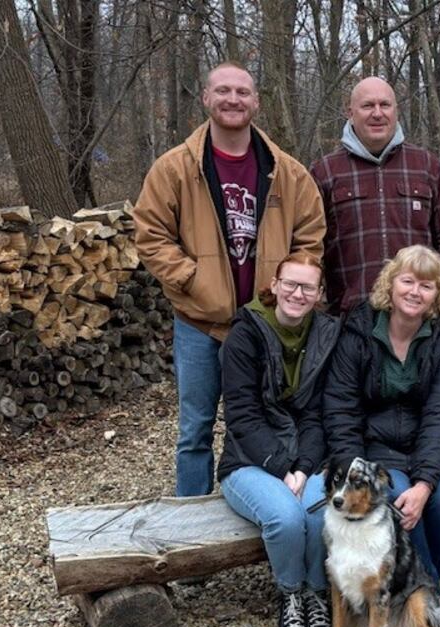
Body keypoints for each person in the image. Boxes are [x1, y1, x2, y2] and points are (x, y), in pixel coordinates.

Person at [133, 61, 325, 497]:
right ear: (206, 98)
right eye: (223, 91)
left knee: (270, 421)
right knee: (195, 431)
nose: (233, 100)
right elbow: (149, 233)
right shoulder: (175, 168)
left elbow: (311, 236)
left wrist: (287, 288)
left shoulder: (288, 173)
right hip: (201, 323)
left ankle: (266, 512)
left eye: (242, 92)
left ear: (256, 102)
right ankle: (192, 534)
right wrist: (191, 277)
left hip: (265, 326)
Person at [323, 245, 440, 627]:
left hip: (427, 447)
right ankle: (438, 600)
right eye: (408, 281)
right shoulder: (358, 332)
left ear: (439, 294)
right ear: (391, 284)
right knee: (397, 499)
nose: (416, 292)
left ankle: (411, 584)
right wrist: (355, 471)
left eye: (427, 285)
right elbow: (341, 408)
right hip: (374, 449)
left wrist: (426, 482)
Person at [217, 252, 341, 627]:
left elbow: (318, 413)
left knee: (321, 511)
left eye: (308, 287)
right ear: (274, 284)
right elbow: (242, 417)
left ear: (320, 293)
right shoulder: (245, 333)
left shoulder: (325, 334)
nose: (297, 293)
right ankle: (290, 593)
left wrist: (304, 468)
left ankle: (315, 594)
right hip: (248, 460)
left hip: (307, 455)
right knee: (287, 519)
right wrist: (284, 467)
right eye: (290, 283)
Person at [310, 77, 440, 315]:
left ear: (396, 111)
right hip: (347, 321)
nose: (377, 113)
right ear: (350, 112)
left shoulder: (426, 166)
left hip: (418, 320)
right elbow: (311, 248)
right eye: (367, 106)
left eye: (385, 105)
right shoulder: (325, 172)